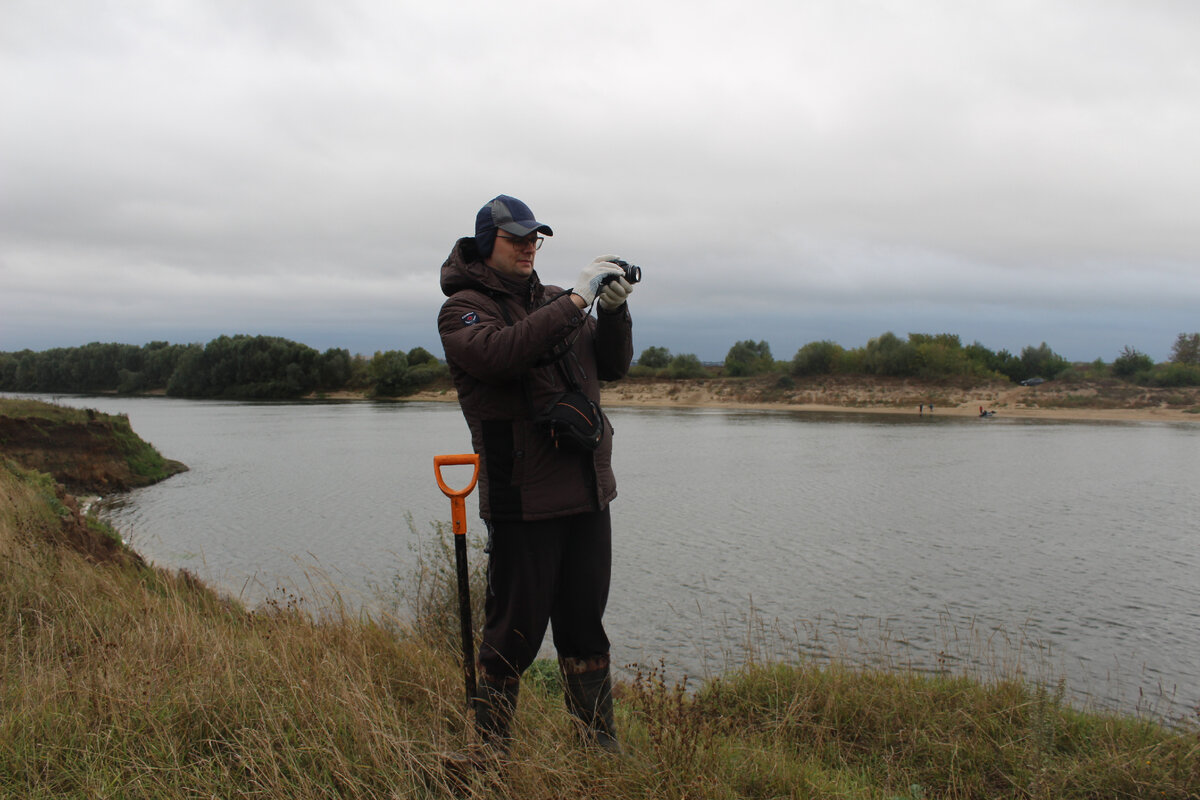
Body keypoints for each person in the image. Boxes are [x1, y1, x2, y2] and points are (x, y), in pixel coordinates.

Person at [437, 195, 635, 759]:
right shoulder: (463, 310)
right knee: (513, 634)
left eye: (534, 239)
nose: (528, 247)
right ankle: (489, 754)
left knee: (585, 627)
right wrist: (577, 300)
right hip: (523, 497)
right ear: (486, 244)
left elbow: (614, 367)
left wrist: (613, 312)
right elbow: (502, 355)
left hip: (588, 491)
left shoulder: (554, 301)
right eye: (516, 238)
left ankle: (598, 749)